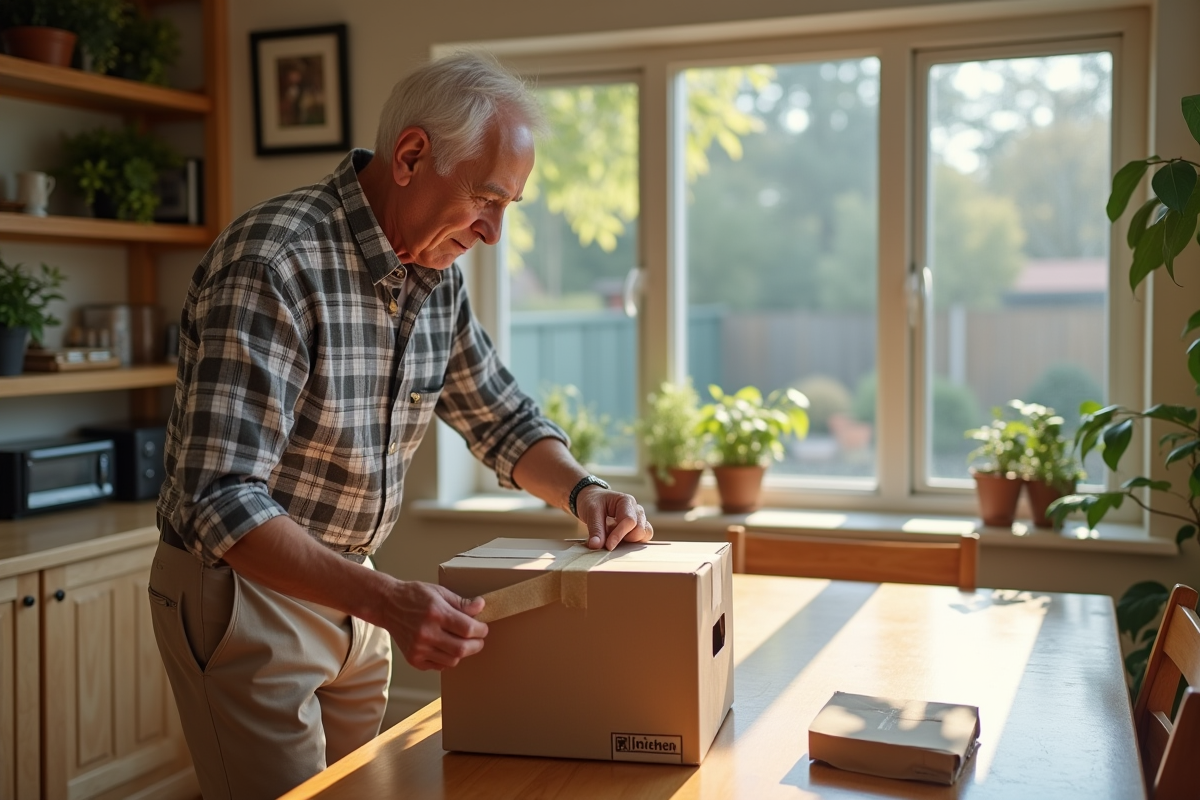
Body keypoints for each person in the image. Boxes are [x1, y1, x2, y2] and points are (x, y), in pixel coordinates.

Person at [148, 52, 654, 800]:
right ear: (413, 155)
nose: (494, 235)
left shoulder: (434, 277)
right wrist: (384, 599)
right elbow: (220, 499)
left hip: (354, 591)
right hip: (247, 592)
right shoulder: (275, 261)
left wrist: (584, 490)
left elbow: (500, 416)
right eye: (488, 199)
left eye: (509, 206)